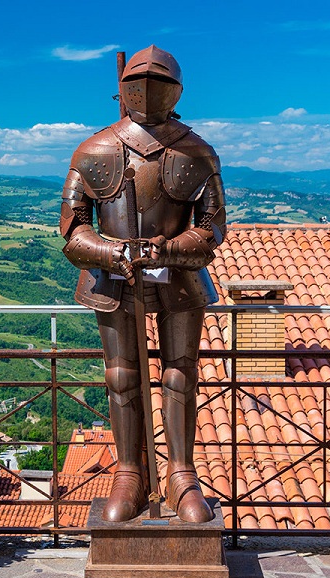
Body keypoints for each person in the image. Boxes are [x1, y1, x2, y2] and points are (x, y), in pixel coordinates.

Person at [59, 45, 226, 523]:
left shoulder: (196, 152)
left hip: (180, 277)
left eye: (159, 83)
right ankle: (129, 472)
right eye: (138, 84)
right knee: (121, 375)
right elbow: (73, 229)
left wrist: (167, 249)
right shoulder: (95, 150)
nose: (148, 91)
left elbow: (212, 227)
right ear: (124, 90)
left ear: (176, 91)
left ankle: (181, 474)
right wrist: (112, 252)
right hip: (113, 278)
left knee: (180, 374)